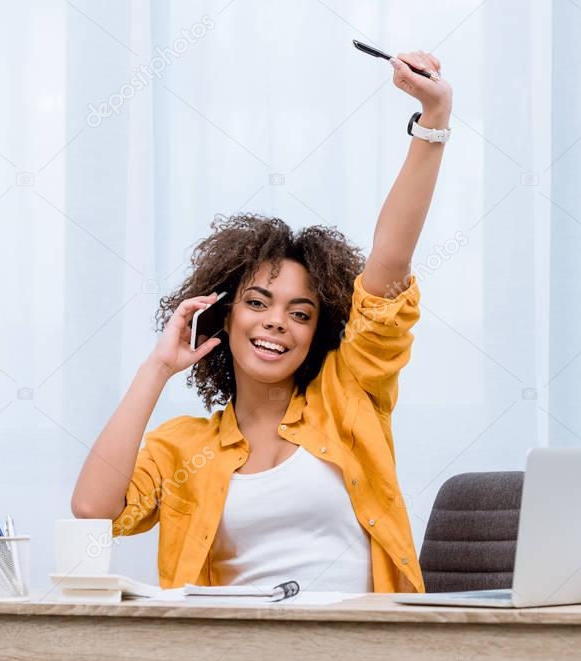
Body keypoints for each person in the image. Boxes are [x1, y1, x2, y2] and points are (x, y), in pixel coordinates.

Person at [71, 50, 452, 594]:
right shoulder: (183, 447)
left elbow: (389, 264)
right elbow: (93, 509)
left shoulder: (349, 395)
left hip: (365, 659)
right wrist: (158, 367)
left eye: (301, 313)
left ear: (317, 332)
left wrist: (433, 120)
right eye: (257, 303)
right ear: (223, 316)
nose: (277, 323)